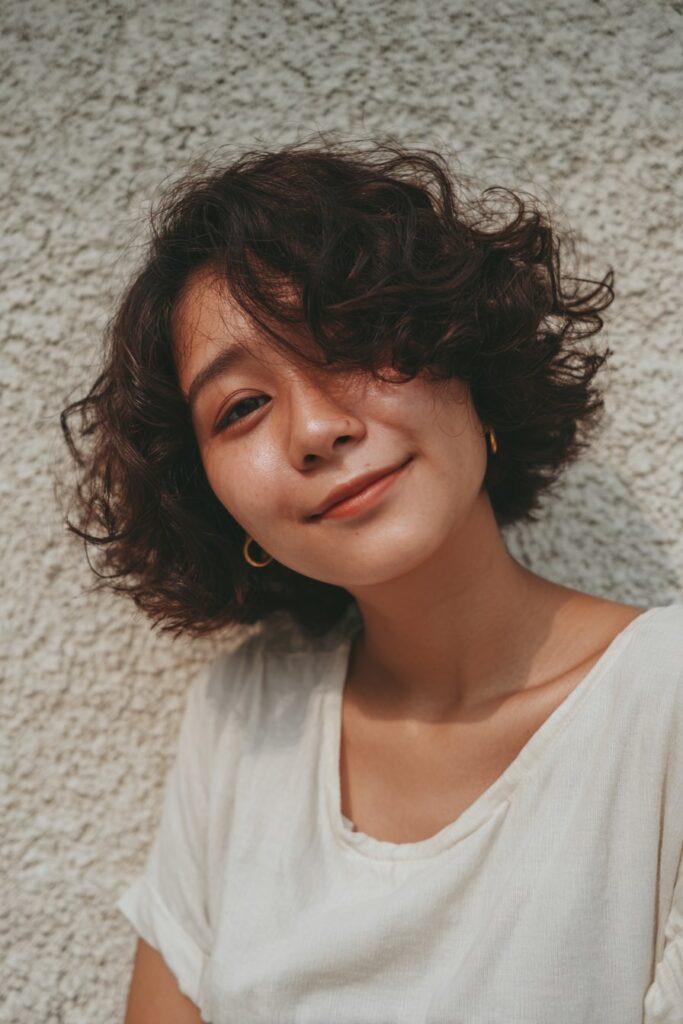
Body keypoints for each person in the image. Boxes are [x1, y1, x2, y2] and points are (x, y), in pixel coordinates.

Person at [59, 134, 683, 1024]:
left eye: (347, 341)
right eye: (240, 408)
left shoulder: (665, 705)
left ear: (466, 353)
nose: (314, 428)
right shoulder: (244, 713)